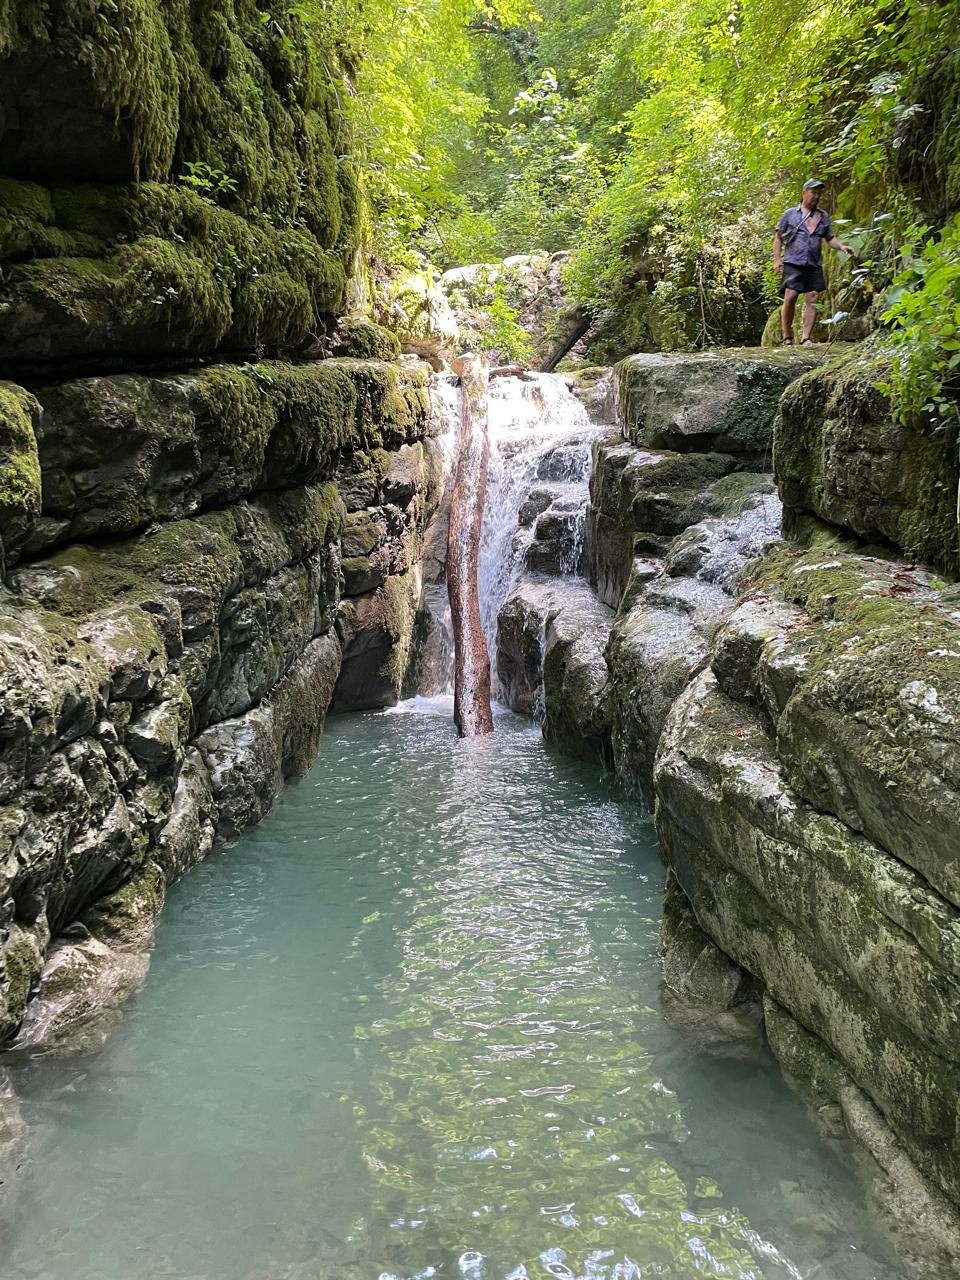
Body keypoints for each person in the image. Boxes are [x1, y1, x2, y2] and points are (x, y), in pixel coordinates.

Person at [773, 179, 854, 345]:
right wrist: (777, 260)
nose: (816, 196)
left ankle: (806, 337)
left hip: (813, 263)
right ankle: (787, 337)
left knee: (812, 296)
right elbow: (778, 238)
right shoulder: (790, 214)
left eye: (819, 194)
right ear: (804, 193)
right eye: (813, 192)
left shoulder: (823, 216)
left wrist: (842, 247)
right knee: (791, 295)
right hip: (793, 261)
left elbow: (830, 238)